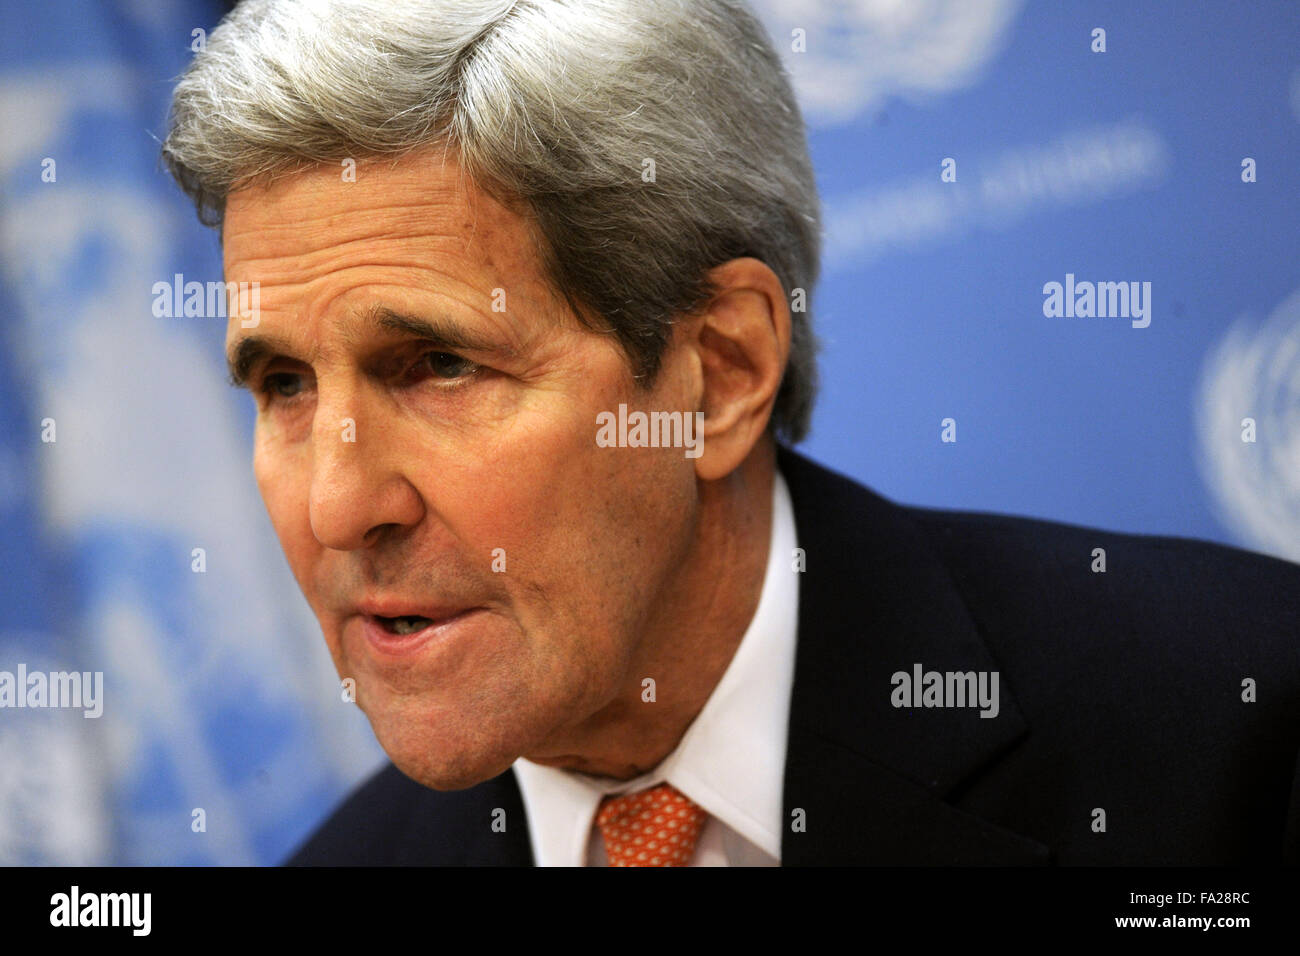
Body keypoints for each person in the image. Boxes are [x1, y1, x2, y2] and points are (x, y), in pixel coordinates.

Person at [160, 0, 1300, 866]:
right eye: (284, 386)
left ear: (719, 373)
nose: (336, 506)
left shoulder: (1233, 728)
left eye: (440, 366)